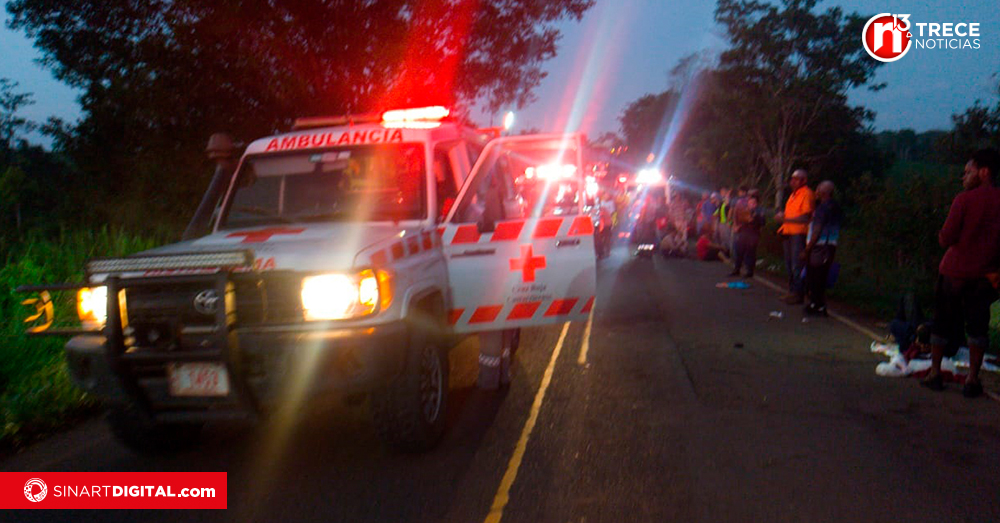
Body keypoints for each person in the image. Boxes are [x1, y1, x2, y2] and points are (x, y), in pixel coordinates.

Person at [921, 148, 1000, 398]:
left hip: (955, 272)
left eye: (968, 172)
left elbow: (947, 237)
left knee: (942, 322)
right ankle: (972, 379)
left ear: (984, 172)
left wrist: (942, 236)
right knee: (978, 328)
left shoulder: (964, 200)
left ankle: (934, 374)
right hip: (985, 277)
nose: (963, 177)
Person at [801, 181, 842, 316]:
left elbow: (817, 230)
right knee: (822, 277)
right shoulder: (836, 207)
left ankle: (816, 305)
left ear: (824, 192)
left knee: (814, 276)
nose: (816, 191)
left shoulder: (822, 209)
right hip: (831, 246)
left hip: (819, 247)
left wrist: (807, 248)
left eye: (818, 189)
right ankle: (819, 305)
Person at [775, 169, 815, 304]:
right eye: (792, 178)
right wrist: (782, 217)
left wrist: (785, 220)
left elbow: (805, 217)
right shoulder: (793, 195)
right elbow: (790, 215)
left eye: (796, 178)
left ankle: (798, 294)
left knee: (797, 265)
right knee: (789, 264)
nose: (793, 181)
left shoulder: (807, 194)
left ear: (804, 180)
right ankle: (792, 291)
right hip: (788, 232)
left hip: (798, 233)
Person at [730, 191, 764, 277]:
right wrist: (736, 226)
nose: (752, 204)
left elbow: (762, 222)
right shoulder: (744, 211)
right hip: (743, 234)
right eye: (750, 202)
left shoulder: (759, 212)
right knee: (739, 252)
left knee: (750, 253)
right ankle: (737, 269)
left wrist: (754, 219)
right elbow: (738, 219)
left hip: (753, 235)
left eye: (754, 203)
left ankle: (749, 271)